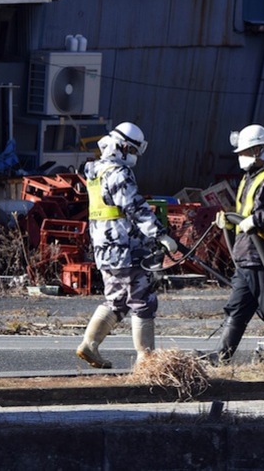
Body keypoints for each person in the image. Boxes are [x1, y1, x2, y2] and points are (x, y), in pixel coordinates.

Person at [76, 122, 178, 369]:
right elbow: (135, 208)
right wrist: (160, 235)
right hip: (126, 249)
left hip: (104, 250)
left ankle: (89, 345)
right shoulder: (118, 173)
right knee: (144, 300)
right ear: (120, 147)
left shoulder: (95, 172)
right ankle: (146, 360)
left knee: (117, 300)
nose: (134, 156)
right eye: (132, 150)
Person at [210, 124, 264, 364]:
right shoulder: (250, 178)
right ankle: (221, 358)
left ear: (258, 150)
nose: (240, 156)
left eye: (244, 152)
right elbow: (245, 214)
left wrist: (255, 220)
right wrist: (229, 220)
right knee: (237, 308)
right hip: (247, 256)